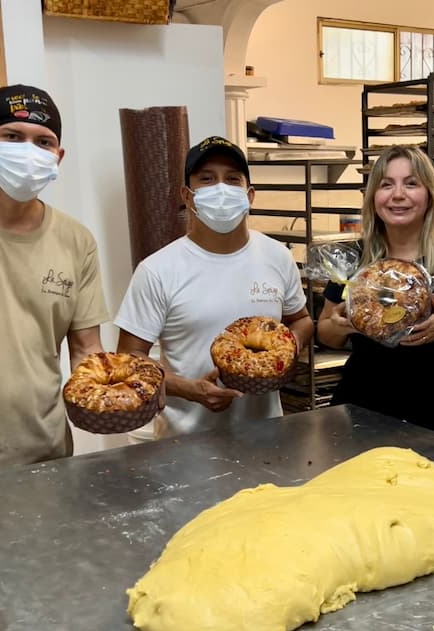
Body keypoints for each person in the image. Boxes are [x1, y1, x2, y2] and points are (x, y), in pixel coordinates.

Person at [114, 135, 314, 439]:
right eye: (207, 179)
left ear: (249, 195)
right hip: (185, 446)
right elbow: (129, 361)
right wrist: (189, 389)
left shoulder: (277, 256)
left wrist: (287, 350)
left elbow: (300, 320)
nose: (221, 188)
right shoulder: (157, 270)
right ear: (188, 195)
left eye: (232, 179)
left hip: (267, 437)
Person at [316, 144, 434, 441]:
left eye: (411, 183)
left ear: (429, 196)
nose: (398, 194)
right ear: (374, 198)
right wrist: (338, 324)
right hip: (360, 413)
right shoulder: (355, 261)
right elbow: (325, 333)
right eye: (386, 185)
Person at [0, 84, 109, 473]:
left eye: (43, 141)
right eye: (13, 137)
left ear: (58, 156)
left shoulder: (76, 241)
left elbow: (87, 351)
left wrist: (122, 392)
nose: (29, 150)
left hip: (43, 453)